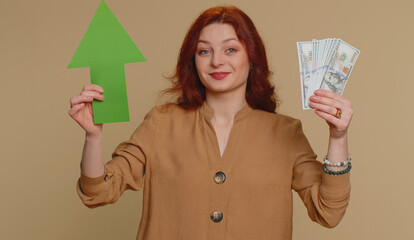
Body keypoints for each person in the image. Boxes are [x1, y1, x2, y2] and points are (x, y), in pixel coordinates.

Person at [68, 5, 353, 240]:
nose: (217, 61)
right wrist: (93, 136)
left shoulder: (286, 133)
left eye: (230, 50)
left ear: (252, 58)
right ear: (193, 61)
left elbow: (328, 212)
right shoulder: (161, 123)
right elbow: (97, 192)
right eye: (204, 51)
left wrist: (338, 138)